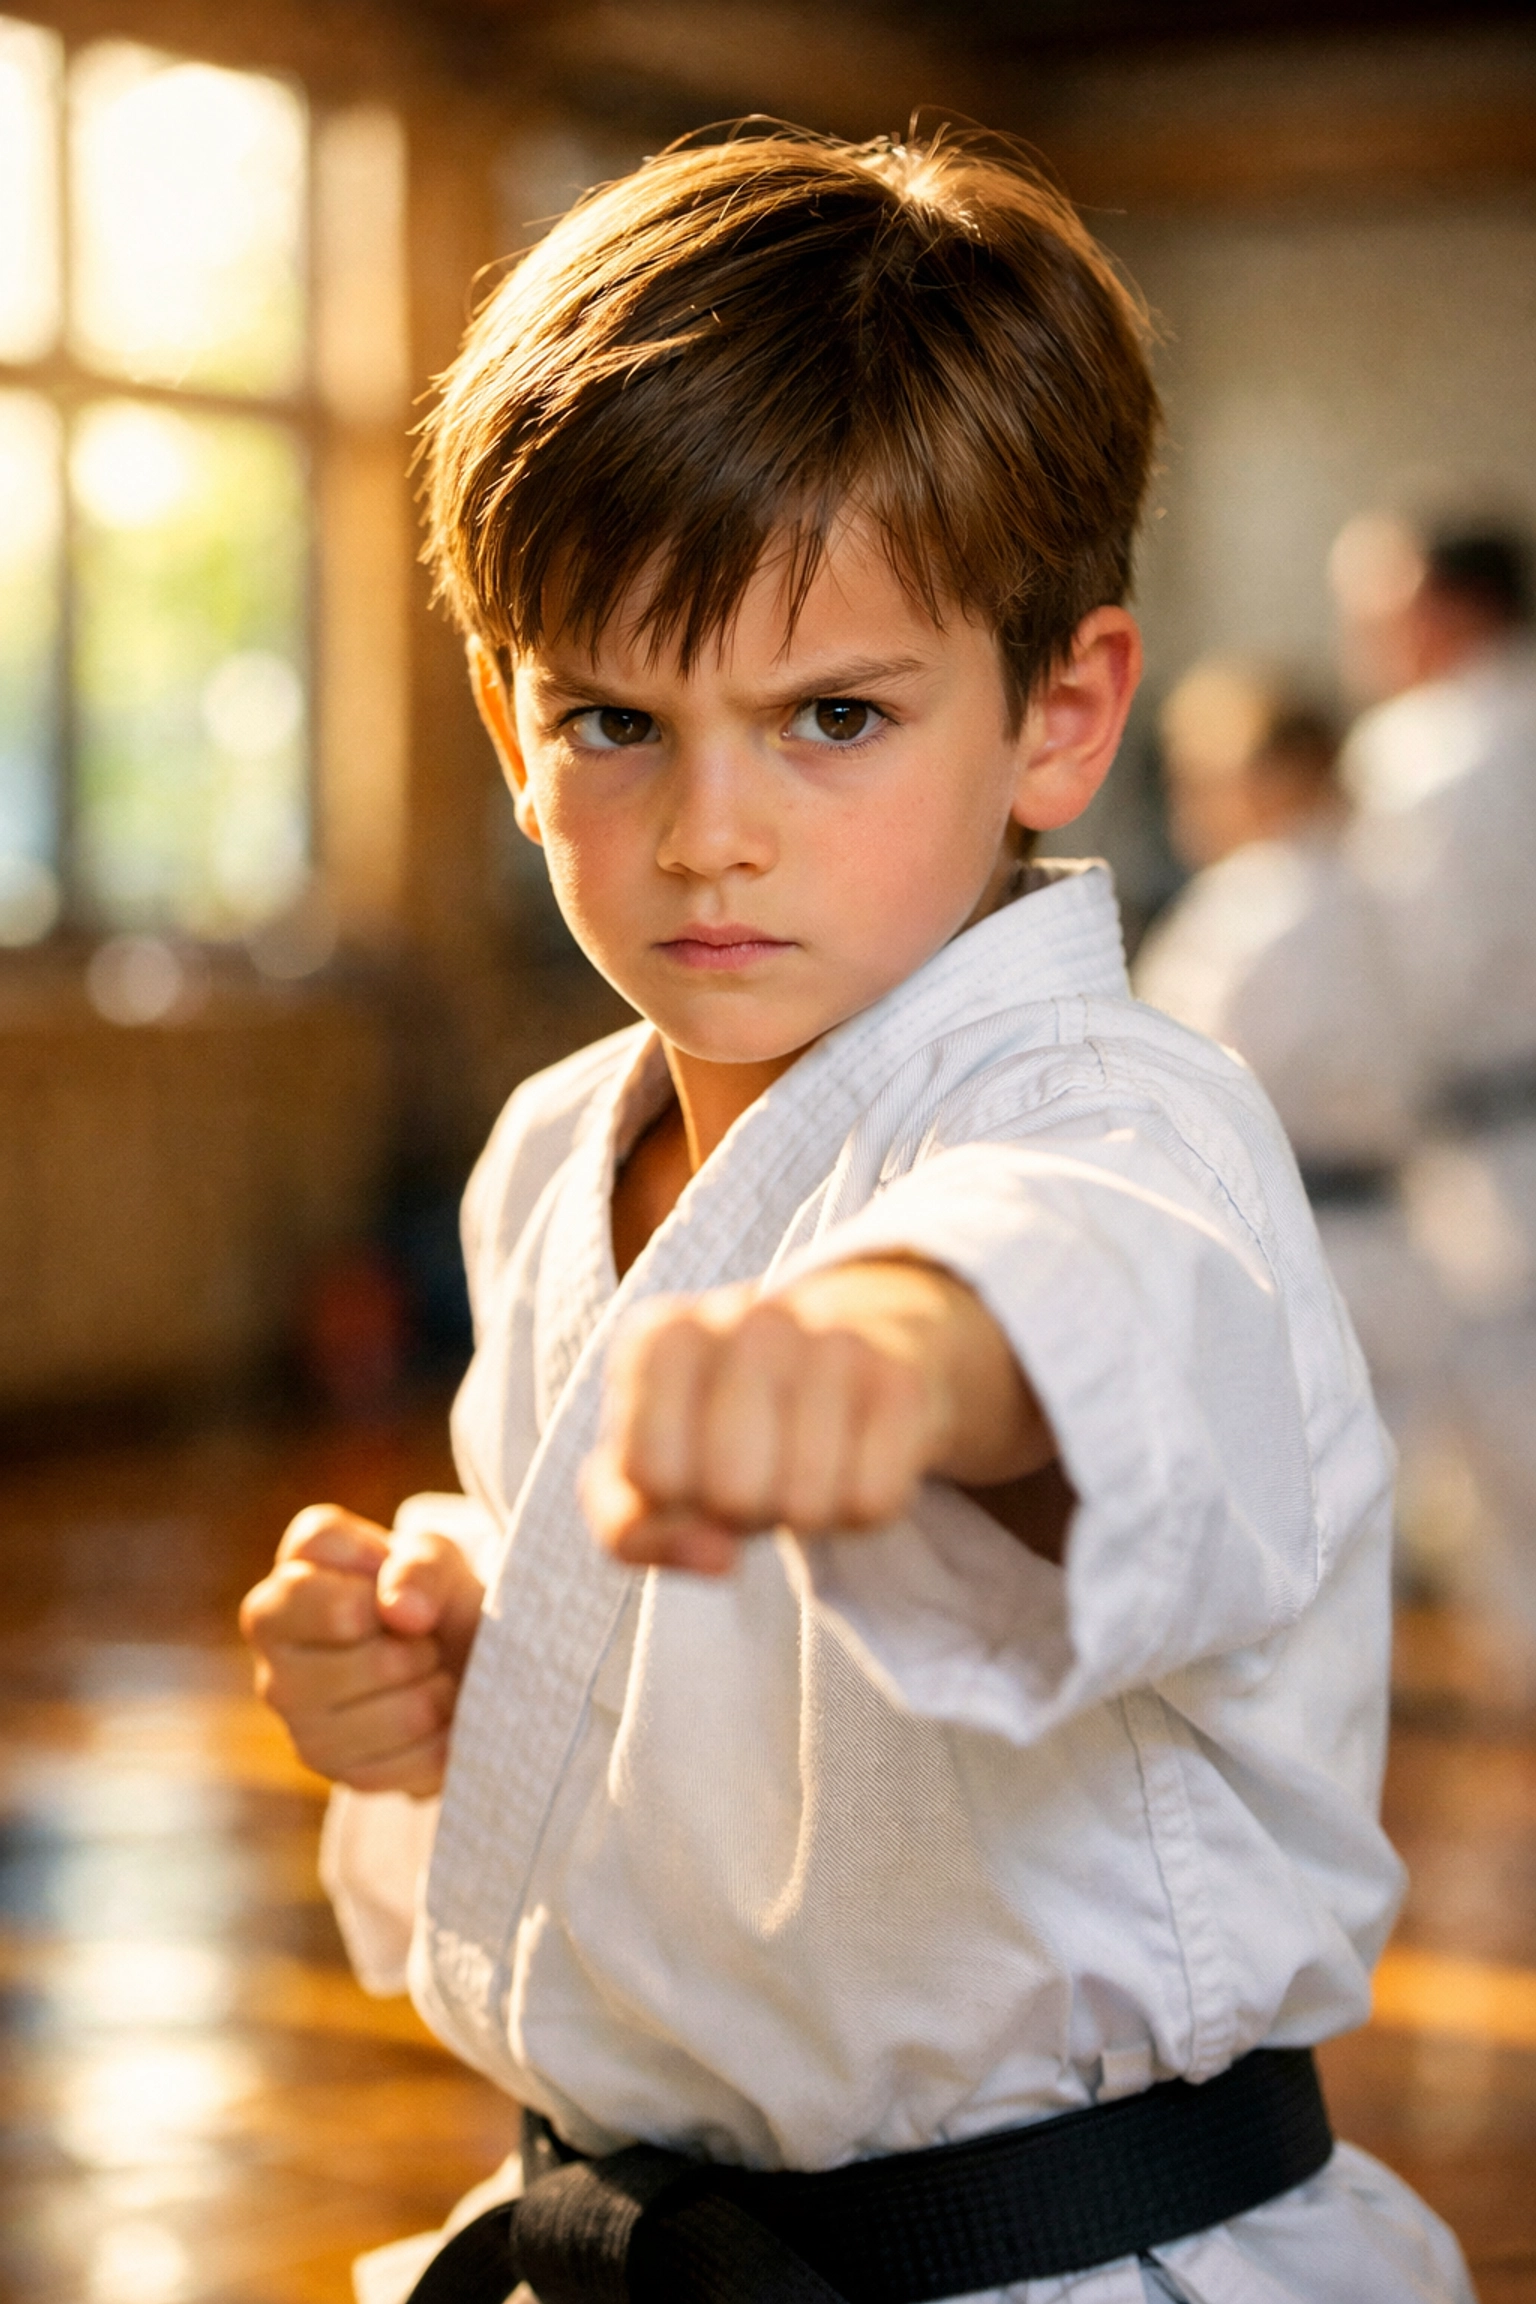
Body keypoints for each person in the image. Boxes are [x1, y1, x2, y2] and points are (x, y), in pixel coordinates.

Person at [241, 132, 1474, 2304]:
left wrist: (900, 1351)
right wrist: (459, 1644)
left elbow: (1083, 1306)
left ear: (1060, 714)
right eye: (616, 720)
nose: (712, 834)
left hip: (1067, 2262)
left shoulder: (1125, 1116)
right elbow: (663, 1666)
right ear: (508, 730)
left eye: (833, 719)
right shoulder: (555, 1146)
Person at [1132, 661, 1447, 1533]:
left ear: (1276, 776)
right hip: (1394, 1238)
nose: (1190, 805)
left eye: (1205, 778)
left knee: (1286, 1546)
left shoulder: (1251, 905)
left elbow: (1164, 1094)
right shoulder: (1389, 889)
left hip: (1284, 1249)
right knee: (1377, 1544)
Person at [1333, 515, 1536, 1630]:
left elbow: (1403, 980)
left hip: (1492, 1153)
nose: (1365, 639)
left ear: (1448, 608)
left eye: (1379, 613)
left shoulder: (1428, 749)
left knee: (1507, 1459)